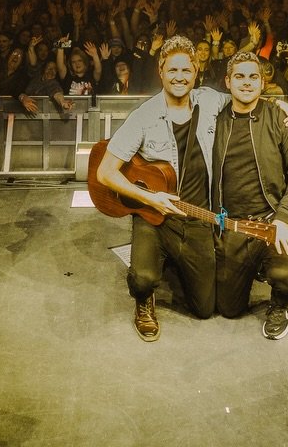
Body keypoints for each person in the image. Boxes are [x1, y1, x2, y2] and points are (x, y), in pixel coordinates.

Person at [96, 36, 230, 341]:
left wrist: (282, 106)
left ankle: (171, 261)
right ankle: (145, 295)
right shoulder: (144, 116)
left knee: (204, 308)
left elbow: (245, 96)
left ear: (196, 71)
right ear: (161, 71)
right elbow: (105, 172)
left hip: (195, 216)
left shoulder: (210, 101)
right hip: (154, 217)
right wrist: (149, 198)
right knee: (143, 278)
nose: (179, 77)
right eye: (172, 70)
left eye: (186, 70)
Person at [211, 52, 288, 339]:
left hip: (271, 220)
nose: (246, 83)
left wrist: (284, 218)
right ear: (228, 81)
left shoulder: (282, 118)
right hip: (233, 224)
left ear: (262, 82)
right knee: (229, 308)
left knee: (285, 276)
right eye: (239, 77)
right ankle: (256, 264)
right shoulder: (214, 119)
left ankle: (280, 302)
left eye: (253, 77)